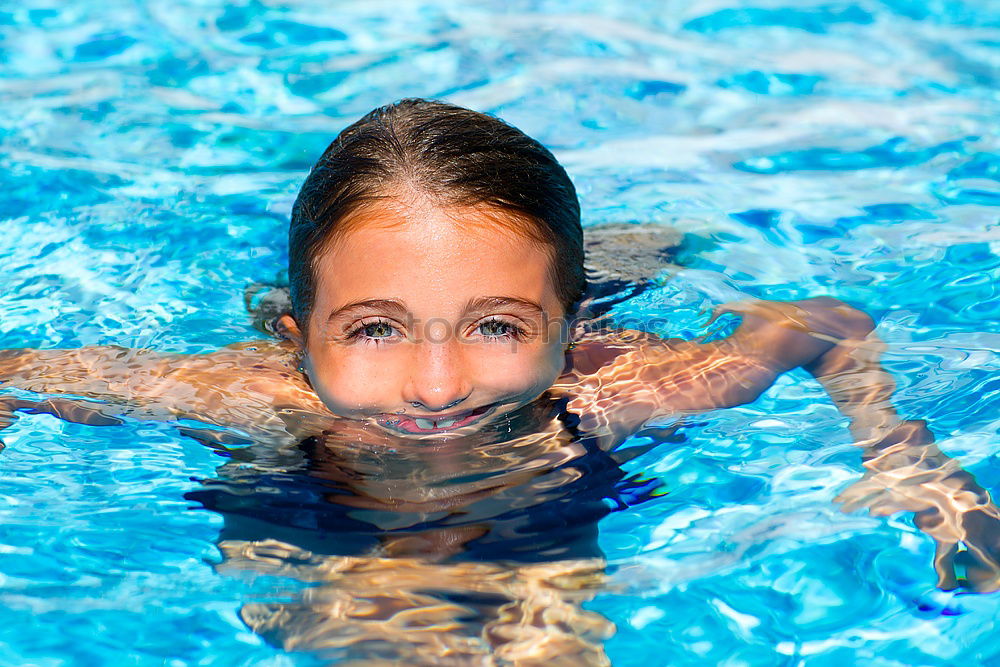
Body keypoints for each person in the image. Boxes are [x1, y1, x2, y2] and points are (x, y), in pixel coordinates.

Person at [1, 99, 998, 662]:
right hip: (319, 497)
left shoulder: (617, 390)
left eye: (494, 327)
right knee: (376, 633)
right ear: (298, 341)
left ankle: (599, 265)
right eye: (375, 330)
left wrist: (906, 459)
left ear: (567, 342)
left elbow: (818, 326)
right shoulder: (244, 393)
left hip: (544, 475)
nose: (437, 385)